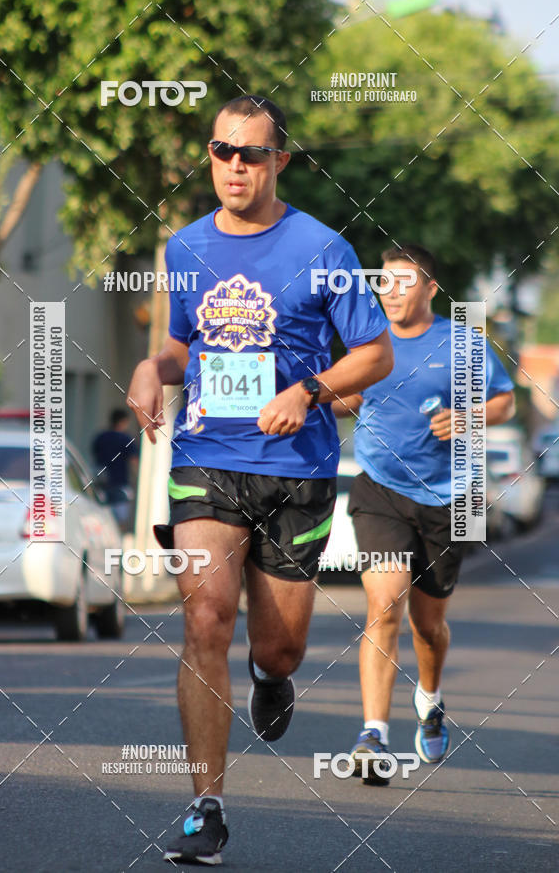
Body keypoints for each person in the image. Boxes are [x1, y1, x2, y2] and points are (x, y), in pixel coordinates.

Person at [126, 95, 393, 865]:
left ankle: (269, 678)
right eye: (221, 151)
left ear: (280, 160)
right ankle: (204, 807)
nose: (234, 167)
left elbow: (373, 354)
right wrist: (150, 368)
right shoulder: (183, 246)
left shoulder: (324, 248)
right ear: (209, 156)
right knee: (205, 616)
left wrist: (307, 391)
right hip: (207, 456)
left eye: (250, 154)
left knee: (278, 649)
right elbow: (179, 346)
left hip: (296, 468)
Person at [334, 244, 515, 784]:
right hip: (380, 490)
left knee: (428, 624)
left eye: (404, 282)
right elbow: (338, 396)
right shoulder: (367, 341)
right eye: (383, 282)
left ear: (431, 288)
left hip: (449, 497)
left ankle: (431, 699)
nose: (391, 292)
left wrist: (469, 417)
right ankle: (373, 735)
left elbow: (504, 401)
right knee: (384, 603)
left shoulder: (462, 342)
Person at [91, 408, 139, 529]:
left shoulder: (101, 437)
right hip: (120, 482)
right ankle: (116, 544)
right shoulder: (126, 439)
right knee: (119, 520)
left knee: (101, 517)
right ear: (123, 422)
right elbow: (133, 461)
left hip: (101, 482)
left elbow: (94, 455)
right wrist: (134, 477)